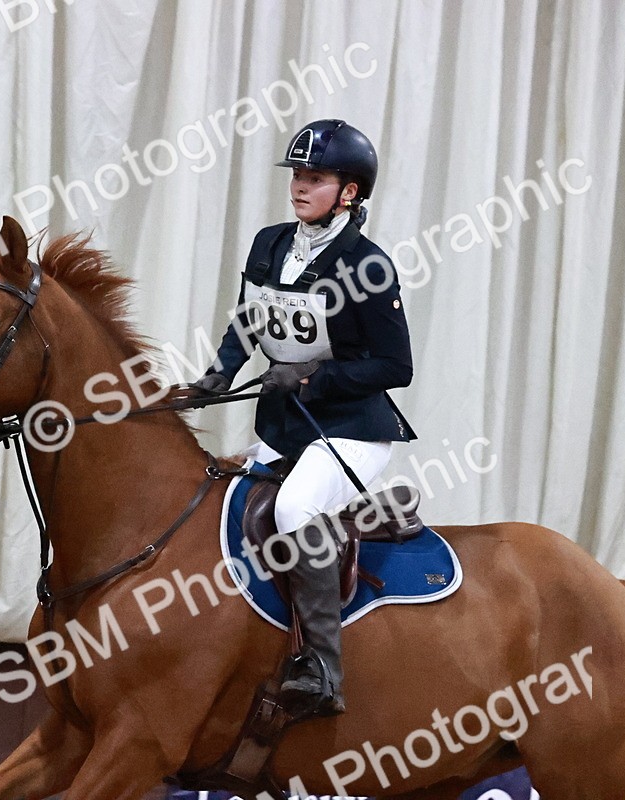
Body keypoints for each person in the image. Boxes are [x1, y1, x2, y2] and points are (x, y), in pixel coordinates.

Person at [194, 119, 416, 718]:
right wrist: (218, 375)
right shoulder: (269, 243)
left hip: (352, 430)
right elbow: (249, 319)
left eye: (314, 177)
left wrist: (317, 377)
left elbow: (397, 366)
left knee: (294, 510)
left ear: (349, 191)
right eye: (296, 175)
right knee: (222, 500)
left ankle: (323, 668)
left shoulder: (370, 266)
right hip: (282, 424)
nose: (298, 186)